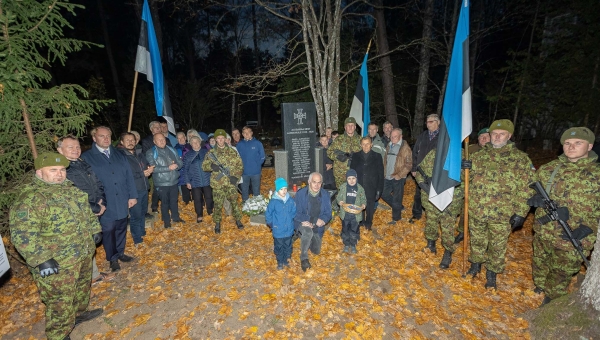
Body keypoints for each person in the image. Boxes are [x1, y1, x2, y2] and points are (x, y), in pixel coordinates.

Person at [10, 153, 103, 340]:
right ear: (39, 172)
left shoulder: (70, 189)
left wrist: (95, 229)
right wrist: (41, 260)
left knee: (81, 289)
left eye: (62, 170)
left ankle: (78, 314)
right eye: (53, 170)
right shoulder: (31, 199)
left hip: (82, 253)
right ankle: (59, 335)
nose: (59, 174)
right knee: (60, 301)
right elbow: (23, 235)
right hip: (57, 262)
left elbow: (87, 214)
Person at [529, 127, 600, 305]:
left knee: (562, 270)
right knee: (540, 261)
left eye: (578, 143)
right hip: (545, 230)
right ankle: (540, 285)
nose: (571, 147)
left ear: (589, 146)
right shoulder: (549, 169)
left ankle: (551, 298)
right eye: (567, 143)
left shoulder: (597, 175)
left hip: (574, 234)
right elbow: (527, 190)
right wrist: (534, 199)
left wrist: (589, 227)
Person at [462, 119, 534, 289]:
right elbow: (466, 181)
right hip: (477, 209)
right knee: (477, 240)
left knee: (497, 245)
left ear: (509, 136)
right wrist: (463, 168)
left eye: (501, 134)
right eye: (494, 134)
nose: (497, 137)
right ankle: (476, 264)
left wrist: (521, 212)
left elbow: (528, 188)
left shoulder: (520, 159)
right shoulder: (478, 156)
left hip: (503, 213)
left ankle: (492, 273)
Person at [56, 135, 114, 284]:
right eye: (71, 147)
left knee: (90, 244)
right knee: (83, 246)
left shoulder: (82, 163)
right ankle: (86, 279)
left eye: (77, 147)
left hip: (95, 208)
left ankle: (93, 275)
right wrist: (95, 207)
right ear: (60, 150)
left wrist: (102, 202)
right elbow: (72, 195)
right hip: (80, 213)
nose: (75, 150)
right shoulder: (61, 170)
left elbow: (97, 183)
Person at [82, 126, 138, 272]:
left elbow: (128, 176)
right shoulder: (87, 157)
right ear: (94, 138)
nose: (106, 139)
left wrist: (132, 195)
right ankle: (112, 258)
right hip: (104, 201)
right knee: (108, 229)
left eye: (108, 136)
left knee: (121, 227)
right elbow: (87, 182)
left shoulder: (119, 154)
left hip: (122, 197)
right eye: (102, 136)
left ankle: (120, 252)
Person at [415, 149, 464, 268]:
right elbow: (420, 171)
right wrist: (423, 186)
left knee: (448, 228)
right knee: (431, 222)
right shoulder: (434, 152)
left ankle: (448, 251)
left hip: (451, 200)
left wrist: (467, 168)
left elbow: (470, 179)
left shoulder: (460, 154)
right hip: (432, 198)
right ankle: (431, 244)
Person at [202, 129, 245, 233]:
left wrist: (236, 177)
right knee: (217, 204)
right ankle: (217, 223)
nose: (221, 140)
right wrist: (212, 166)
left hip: (230, 183)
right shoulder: (211, 153)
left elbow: (240, 166)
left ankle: (238, 220)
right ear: (216, 139)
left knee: (234, 202)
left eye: (222, 138)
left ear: (226, 139)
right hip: (218, 184)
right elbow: (204, 166)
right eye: (218, 138)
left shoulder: (232, 151)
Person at [118, 132, 153, 245]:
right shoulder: (121, 157)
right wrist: (142, 174)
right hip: (133, 191)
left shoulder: (139, 153)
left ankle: (142, 232)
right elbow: (125, 175)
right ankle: (137, 239)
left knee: (143, 212)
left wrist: (149, 169)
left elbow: (146, 164)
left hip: (144, 187)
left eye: (132, 140)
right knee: (135, 215)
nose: (130, 142)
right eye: (127, 140)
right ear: (122, 142)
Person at [293, 172, 332, 271]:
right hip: (304, 222)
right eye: (314, 182)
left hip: (317, 226)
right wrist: (311, 220)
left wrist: (323, 220)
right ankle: (304, 258)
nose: (317, 185)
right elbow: (296, 213)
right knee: (307, 231)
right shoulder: (301, 194)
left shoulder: (325, 194)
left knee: (316, 251)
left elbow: (328, 213)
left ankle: (302, 237)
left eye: (319, 182)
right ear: (309, 182)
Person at [146, 133, 184, 229]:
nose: (162, 141)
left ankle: (175, 217)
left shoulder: (172, 149)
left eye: (163, 139)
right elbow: (153, 168)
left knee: (174, 201)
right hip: (161, 182)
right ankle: (166, 221)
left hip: (174, 180)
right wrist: (168, 168)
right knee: (165, 202)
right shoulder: (151, 152)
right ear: (154, 142)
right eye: (159, 140)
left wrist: (177, 166)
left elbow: (180, 162)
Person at [410, 114, 441, 223]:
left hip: (436, 172)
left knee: (434, 193)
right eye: (427, 122)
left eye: (431, 122)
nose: (428, 124)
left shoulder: (443, 137)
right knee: (418, 193)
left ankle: (433, 216)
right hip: (421, 171)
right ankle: (416, 213)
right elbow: (415, 152)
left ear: (438, 122)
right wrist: (414, 168)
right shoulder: (423, 136)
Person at [350, 137, 384, 230]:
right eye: (363, 144)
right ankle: (361, 221)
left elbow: (381, 174)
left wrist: (379, 189)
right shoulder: (356, 156)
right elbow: (352, 172)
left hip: (372, 186)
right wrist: (351, 186)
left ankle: (368, 222)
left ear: (371, 144)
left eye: (367, 143)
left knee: (370, 206)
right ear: (360, 145)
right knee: (360, 204)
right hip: (359, 185)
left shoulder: (377, 156)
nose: (365, 146)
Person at [381, 128, 412, 224]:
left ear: (400, 137)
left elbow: (409, 164)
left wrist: (400, 175)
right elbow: (386, 160)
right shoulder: (389, 145)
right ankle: (398, 207)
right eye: (392, 136)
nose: (393, 138)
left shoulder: (405, 148)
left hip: (398, 177)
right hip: (388, 176)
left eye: (395, 136)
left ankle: (396, 218)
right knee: (384, 194)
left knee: (397, 198)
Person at [265, 178, 297, 270]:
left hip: (288, 229)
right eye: (281, 189)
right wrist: (271, 224)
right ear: (277, 190)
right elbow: (268, 214)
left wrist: (290, 219)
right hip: (278, 229)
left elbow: (294, 210)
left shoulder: (290, 200)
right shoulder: (274, 202)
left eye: (285, 188)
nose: (284, 191)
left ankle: (287, 259)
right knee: (279, 246)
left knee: (288, 245)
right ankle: (280, 261)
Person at [183, 136, 213, 223]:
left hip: (207, 179)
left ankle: (210, 211)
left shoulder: (206, 152)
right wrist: (187, 181)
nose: (195, 144)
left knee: (209, 197)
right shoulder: (188, 155)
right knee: (197, 199)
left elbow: (212, 164)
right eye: (193, 142)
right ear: (191, 144)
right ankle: (199, 214)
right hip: (195, 181)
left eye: (197, 142)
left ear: (200, 142)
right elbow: (185, 169)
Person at [337, 169, 366, 254]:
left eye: (353, 178)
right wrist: (340, 201)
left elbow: (363, 198)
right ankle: (346, 244)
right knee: (345, 229)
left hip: (355, 214)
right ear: (346, 179)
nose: (351, 180)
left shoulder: (360, 188)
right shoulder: (343, 187)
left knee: (354, 229)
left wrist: (363, 204)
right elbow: (338, 197)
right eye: (349, 178)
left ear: (356, 178)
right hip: (345, 213)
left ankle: (353, 244)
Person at [327, 117, 362, 188]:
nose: (350, 127)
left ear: (355, 127)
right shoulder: (338, 139)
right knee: (341, 196)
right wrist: (337, 156)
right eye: (348, 125)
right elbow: (329, 152)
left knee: (354, 196)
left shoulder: (360, 140)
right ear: (345, 127)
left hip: (355, 174)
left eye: (352, 125)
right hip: (340, 174)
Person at [237, 126, 266, 202]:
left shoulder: (258, 143)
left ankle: (257, 206)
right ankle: (245, 206)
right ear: (242, 134)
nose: (247, 134)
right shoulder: (239, 145)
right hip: (244, 173)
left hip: (256, 172)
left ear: (252, 133)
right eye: (245, 133)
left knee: (256, 190)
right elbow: (237, 158)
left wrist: (257, 165)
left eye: (248, 132)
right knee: (244, 190)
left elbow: (262, 157)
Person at [175, 131, 192, 205]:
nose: (181, 139)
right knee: (184, 188)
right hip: (182, 172)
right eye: (178, 138)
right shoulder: (175, 149)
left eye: (182, 137)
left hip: (191, 170)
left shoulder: (191, 146)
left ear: (185, 138)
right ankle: (186, 202)